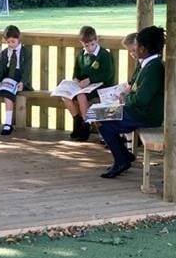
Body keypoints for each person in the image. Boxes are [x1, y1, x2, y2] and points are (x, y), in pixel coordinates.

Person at [98, 26, 166, 179]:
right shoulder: (148, 64)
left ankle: (121, 160)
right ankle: (124, 157)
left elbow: (141, 100)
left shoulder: (153, 68)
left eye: (136, 46)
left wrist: (125, 99)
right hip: (137, 111)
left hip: (144, 115)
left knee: (102, 123)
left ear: (142, 48)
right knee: (98, 116)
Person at [62, 25, 115, 142]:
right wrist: (76, 79)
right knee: (65, 95)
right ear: (81, 43)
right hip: (84, 86)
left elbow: (108, 74)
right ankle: (77, 120)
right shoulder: (81, 55)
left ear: (96, 40)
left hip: (101, 86)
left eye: (92, 44)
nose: (90, 48)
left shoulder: (104, 55)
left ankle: (86, 125)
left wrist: (90, 79)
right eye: (86, 45)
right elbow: (76, 72)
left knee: (81, 97)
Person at [0, 25, 31, 136]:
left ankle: (8, 123)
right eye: (8, 42)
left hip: (19, 80)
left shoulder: (25, 52)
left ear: (19, 38)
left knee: (7, 95)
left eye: (13, 42)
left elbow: (27, 69)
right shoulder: (5, 53)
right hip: (6, 79)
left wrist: (23, 82)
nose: (10, 45)